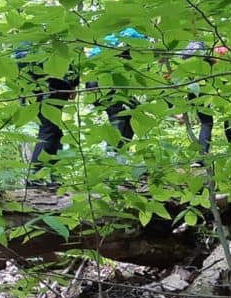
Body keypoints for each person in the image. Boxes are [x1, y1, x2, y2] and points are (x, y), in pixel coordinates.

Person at [15, 39, 79, 187]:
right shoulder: (59, 34)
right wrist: (73, 83)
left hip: (35, 85)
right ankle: (34, 177)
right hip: (55, 84)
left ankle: (55, 176)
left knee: (54, 131)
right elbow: (70, 56)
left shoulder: (30, 39)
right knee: (49, 130)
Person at [89, 27, 149, 146]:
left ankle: (119, 155)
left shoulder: (112, 40)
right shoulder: (130, 40)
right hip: (107, 83)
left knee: (133, 112)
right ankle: (112, 153)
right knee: (119, 115)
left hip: (96, 84)